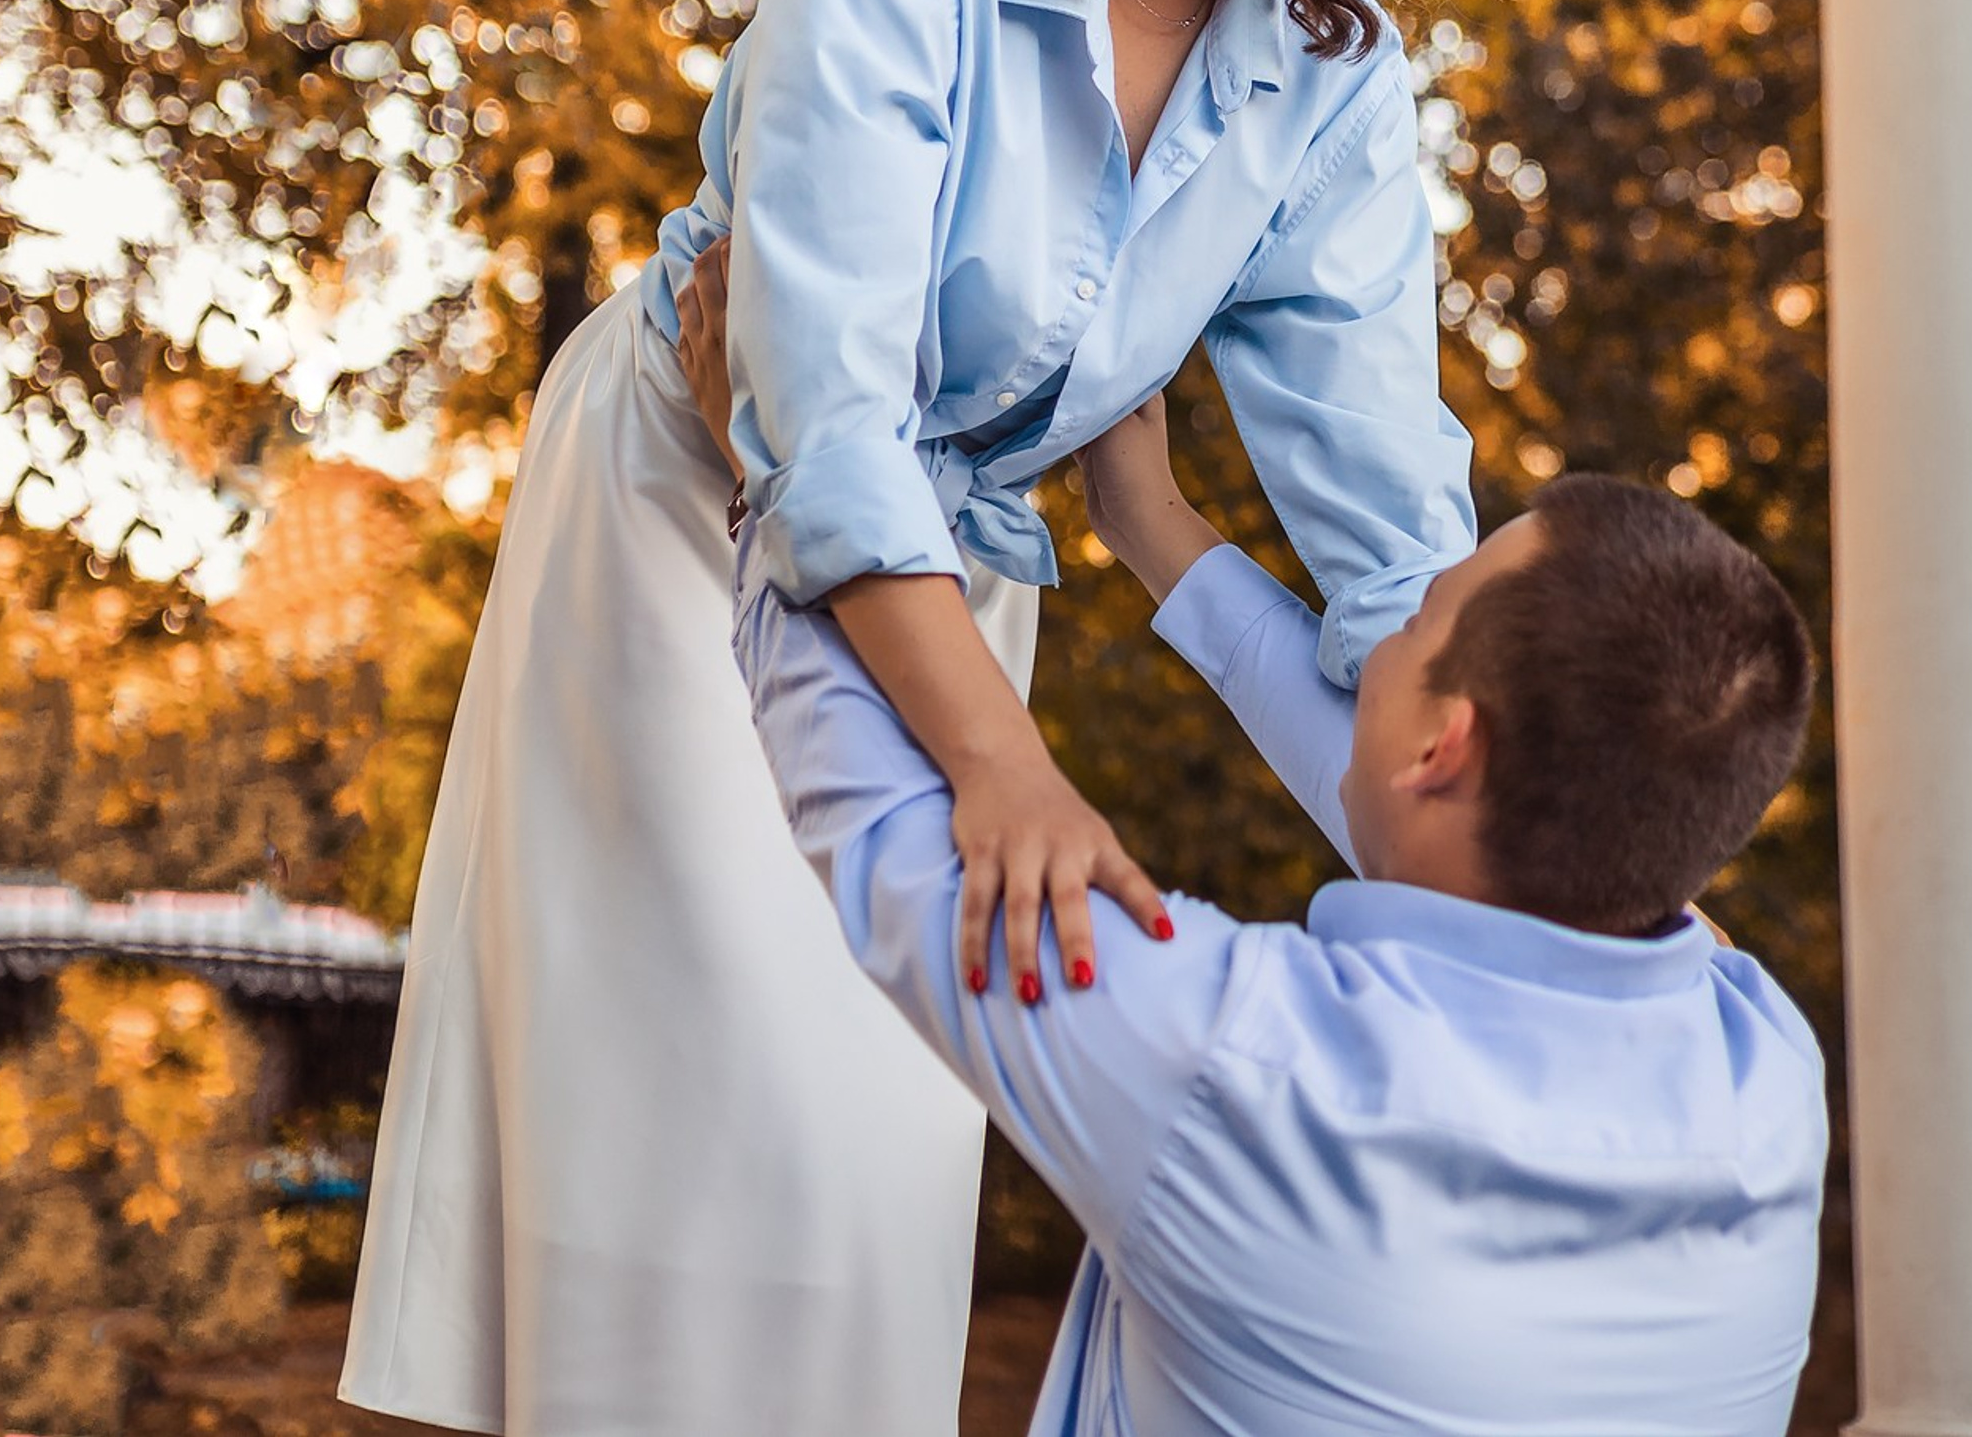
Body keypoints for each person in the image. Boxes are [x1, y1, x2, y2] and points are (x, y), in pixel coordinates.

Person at [342, 0, 1510, 1436]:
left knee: (869, 1152)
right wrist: (1006, 766)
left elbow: (1386, 511)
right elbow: (812, 408)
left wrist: (1519, 862)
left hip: (948, 567)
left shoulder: (1324, 74)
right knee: (685, 1149)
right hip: (683, 507)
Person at [683, 245, 1830, 1437]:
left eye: (1421, 614)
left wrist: (780, 480)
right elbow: (1483, 839)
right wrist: (1156, 528)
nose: (1380, 638)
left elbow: (882, 821)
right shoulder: (1765, 1076)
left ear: (1444, 746)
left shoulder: (1237, 1069)